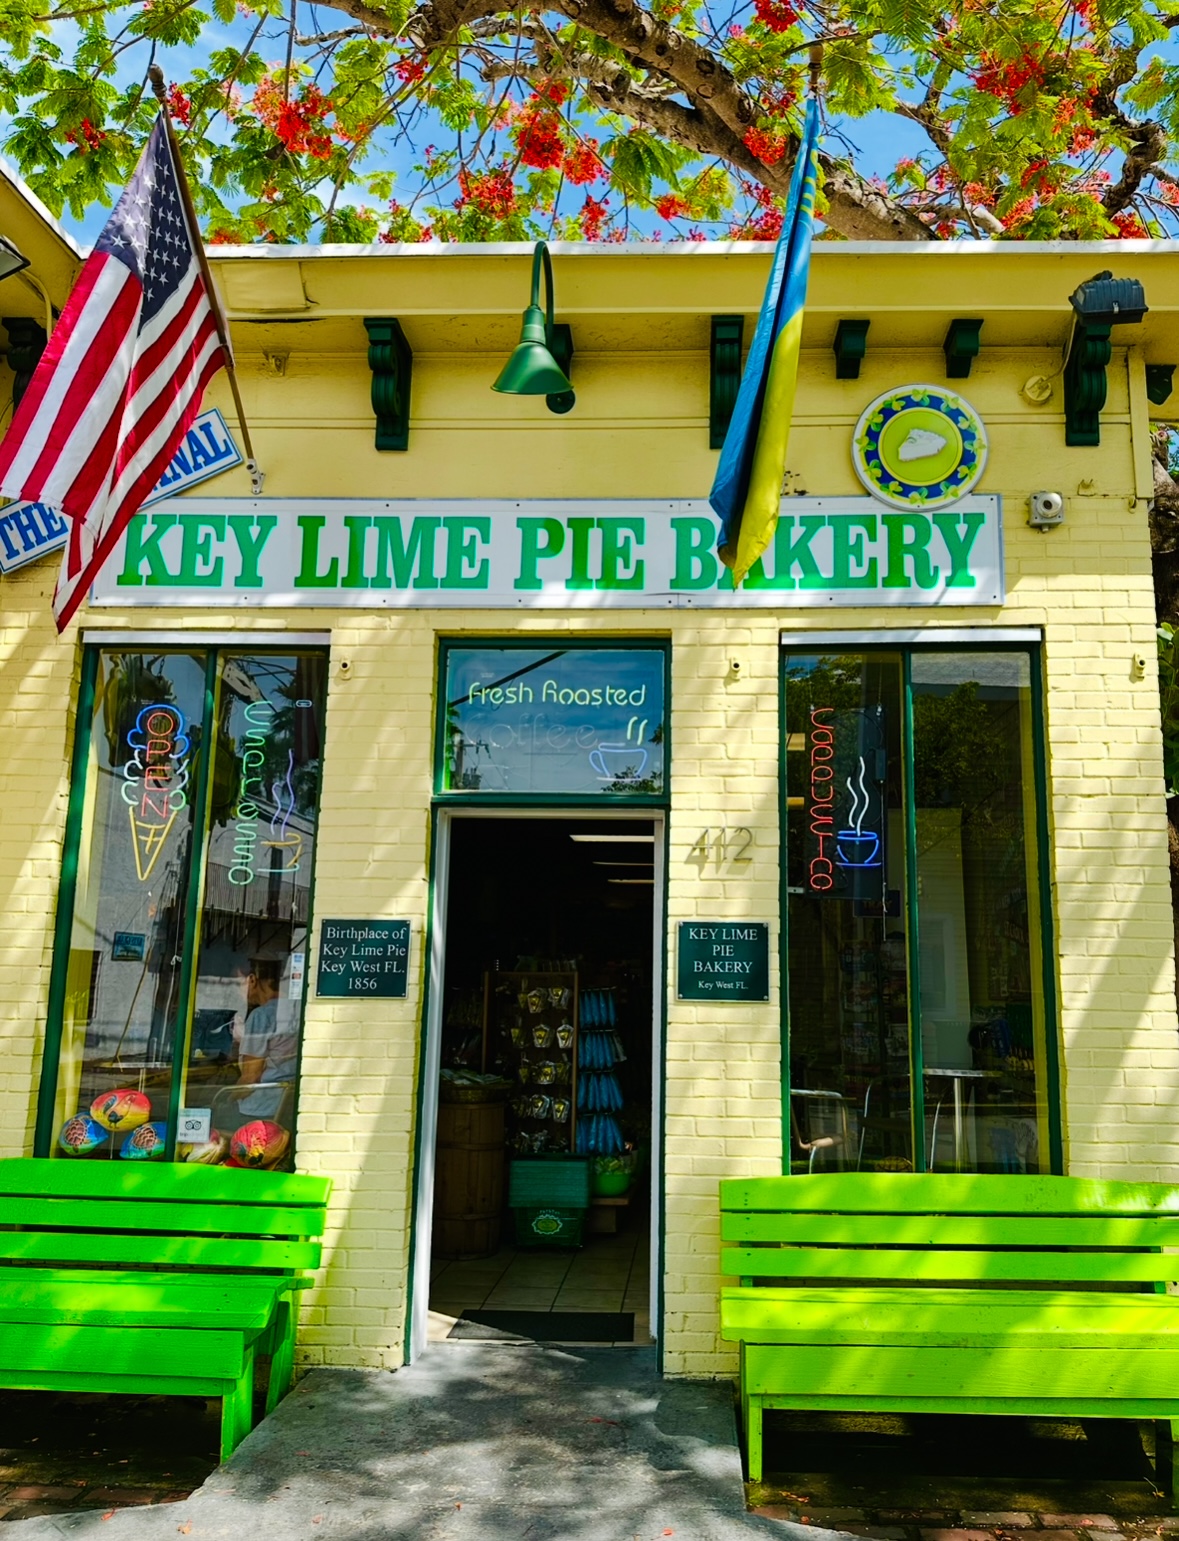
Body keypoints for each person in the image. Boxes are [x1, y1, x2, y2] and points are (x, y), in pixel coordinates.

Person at [236, 957, 299, 1119]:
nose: (238, 991)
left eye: (239, 983)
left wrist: (225, 1098)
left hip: (260, 1107)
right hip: (289, 1104)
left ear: (252, 980)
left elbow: (251, 1077)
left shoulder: (261, 1016)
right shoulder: (296, 1010)